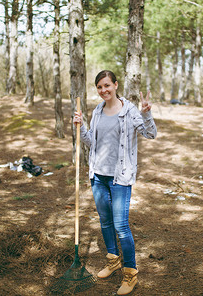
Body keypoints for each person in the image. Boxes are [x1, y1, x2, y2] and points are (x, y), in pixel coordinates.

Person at [73, 70, 157, 295]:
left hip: (120, 177)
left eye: (107, 85)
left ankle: (130, 274)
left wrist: (146, 113)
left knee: (121, 226)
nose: (103, 91)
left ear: (116, 85)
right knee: (105, 221)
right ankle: (113, 261)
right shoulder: (98, 110)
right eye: (99, 87)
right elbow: (91, 141)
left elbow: (150, 134)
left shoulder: (129, 111)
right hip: (98, 175)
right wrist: (81, 127)